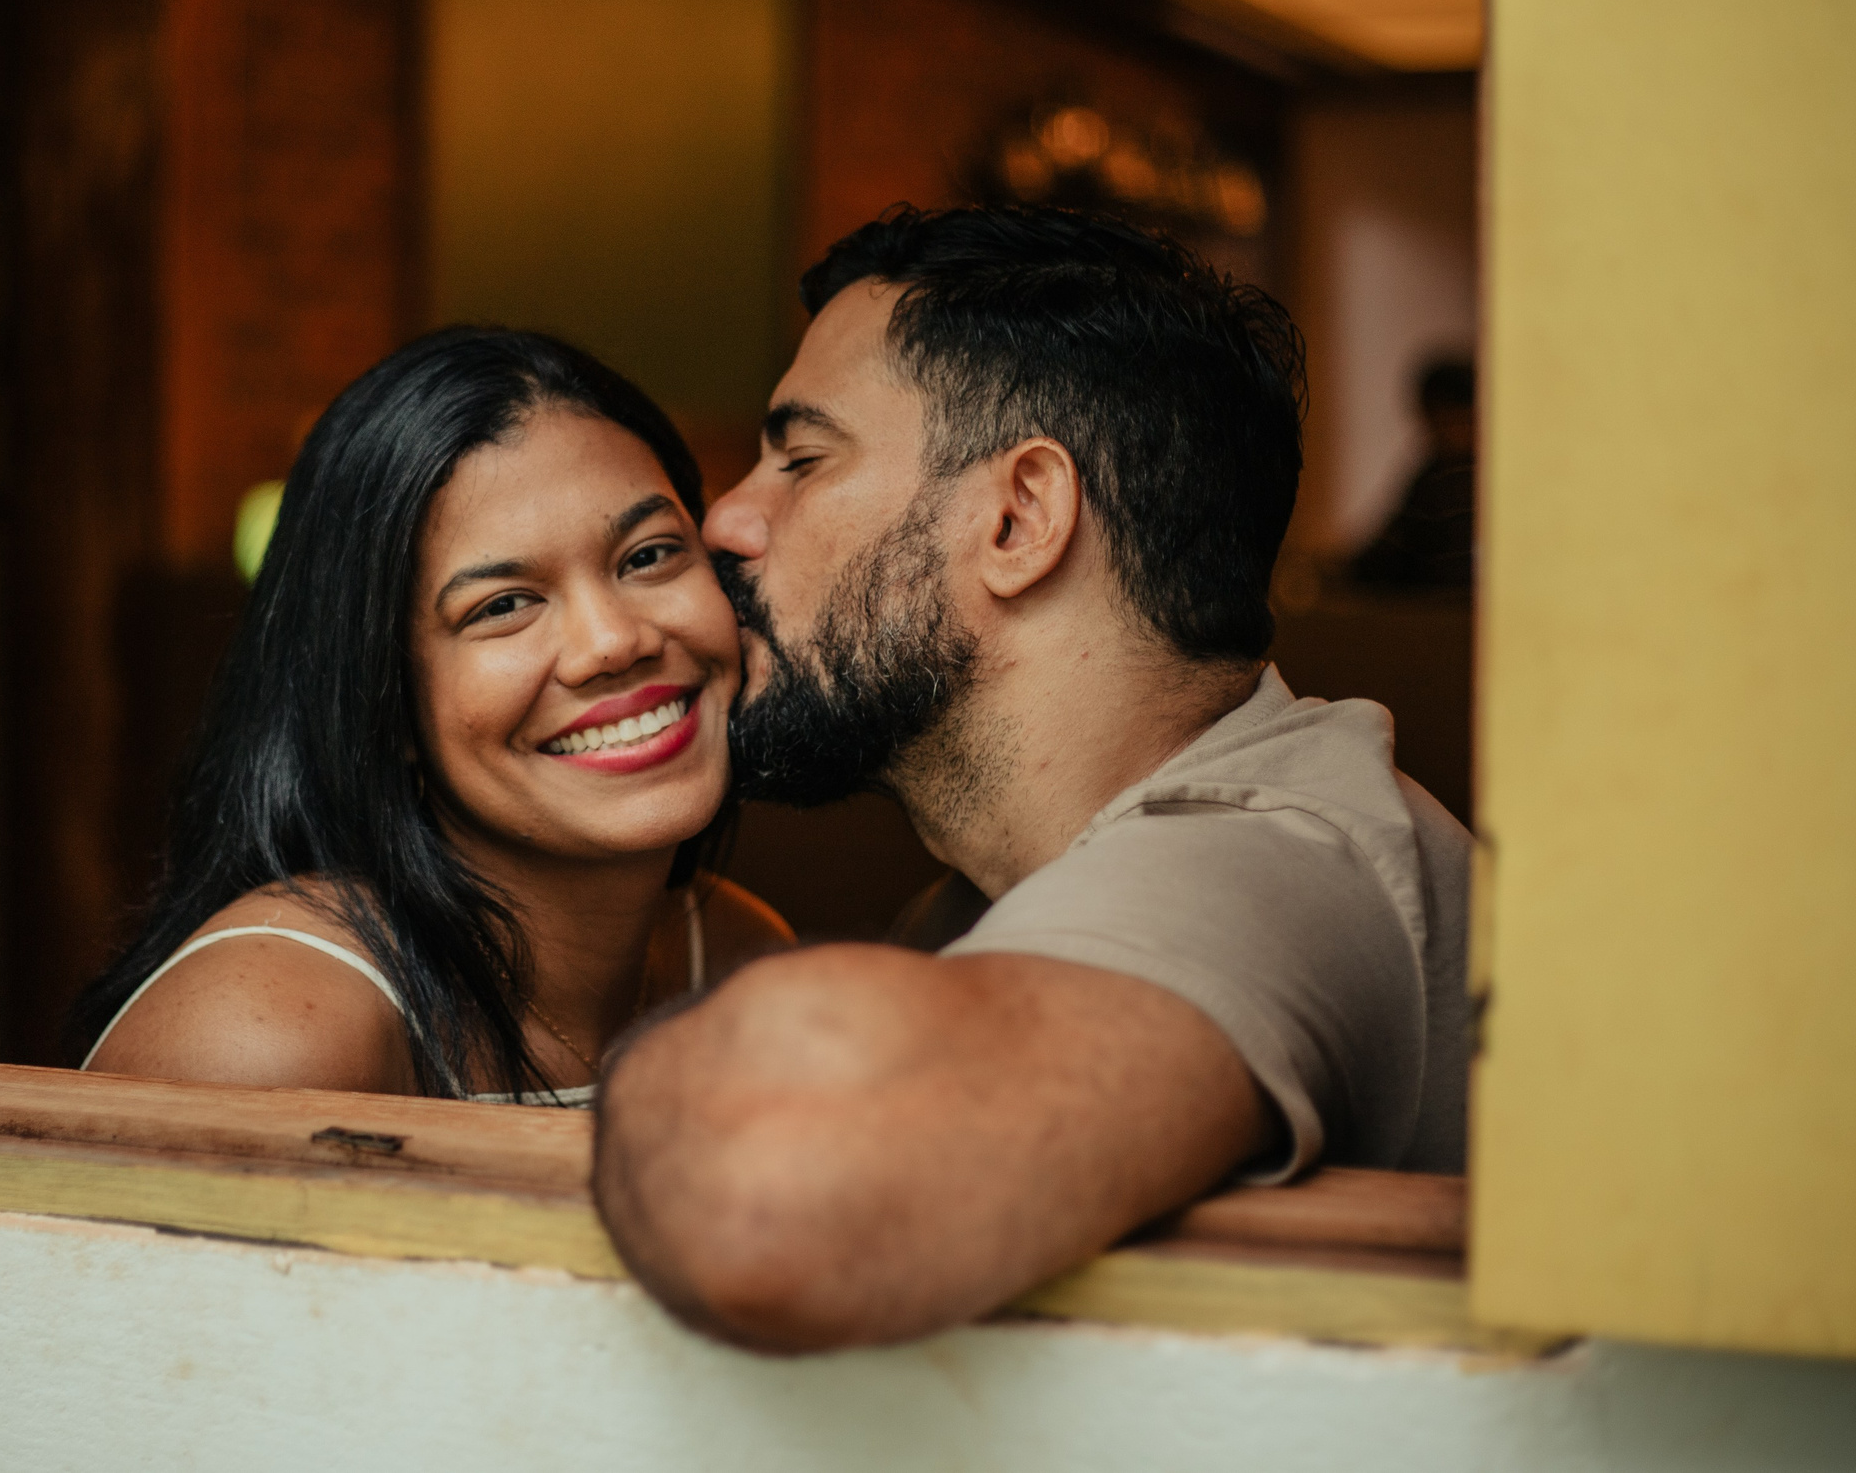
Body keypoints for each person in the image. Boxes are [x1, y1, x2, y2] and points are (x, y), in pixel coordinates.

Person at [592, 207, 1471, 1350]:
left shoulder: (1265, 855)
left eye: (801, 458)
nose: (730, 518)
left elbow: (773, 1188)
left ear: (1018, 517)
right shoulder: (979, 900)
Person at [77, 329, 792, 1103]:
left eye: (648, 555)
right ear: (385, 709)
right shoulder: (265, 1038)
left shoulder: (737, 962)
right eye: (504, 605)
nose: (613, 641)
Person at [1348, 355, 1478, 590]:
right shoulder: (1435, 475)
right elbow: (1391, 549)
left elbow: (1387, 556)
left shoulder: (1444, 478)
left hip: (1439, 614)